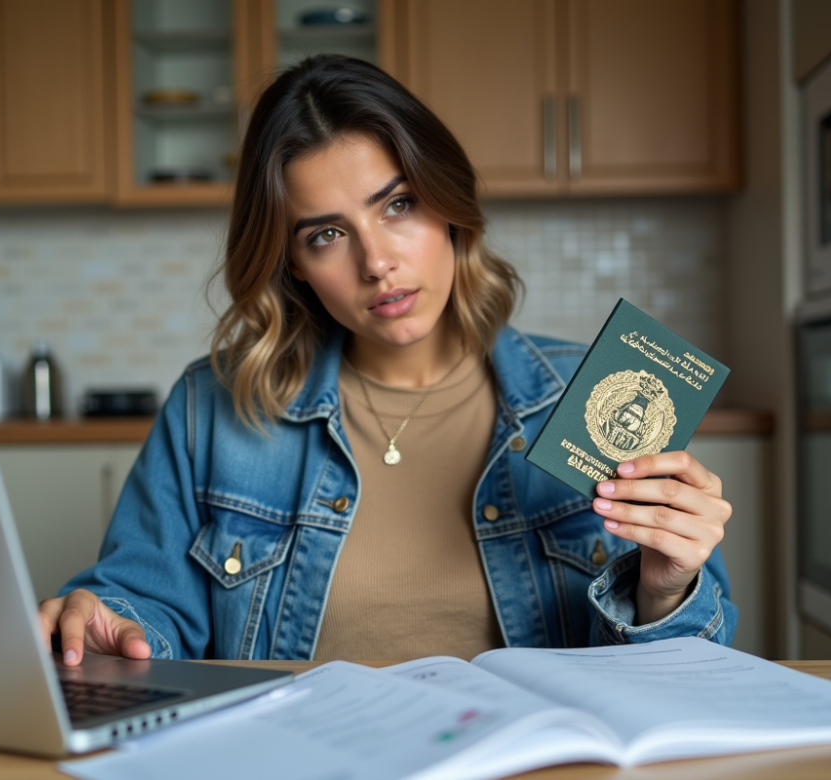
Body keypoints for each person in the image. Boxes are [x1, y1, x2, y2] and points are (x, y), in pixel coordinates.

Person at [39, 54, 736, 664]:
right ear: (292, 264)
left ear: (449, 204)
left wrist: (664, 589)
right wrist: (106, 623)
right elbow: (140, 607)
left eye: (398, 204)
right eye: (326, 234)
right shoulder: (210, 410)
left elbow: (690, 673)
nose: (377, 263)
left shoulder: (593, 393)